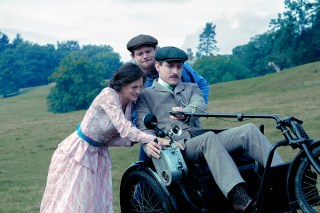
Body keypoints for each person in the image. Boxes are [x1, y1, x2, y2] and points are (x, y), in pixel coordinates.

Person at [135, 46, 284, 213]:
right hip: (177, 149)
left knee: (248, 130)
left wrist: (187, 111)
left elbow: (199, 105)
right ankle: (237, 195)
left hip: (202, 139)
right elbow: (143, 128)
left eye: (179, 66)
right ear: (158, 67)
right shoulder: (145, 95)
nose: (175, 71)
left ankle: (287, 181)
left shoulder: (191, 88)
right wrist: (150, 142)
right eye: (170, 66)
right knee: (209, 138)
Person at [40, 63, 169, 212]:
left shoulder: (130, 104)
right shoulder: (108, 95)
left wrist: (138, 140)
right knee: (74, 202)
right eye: (134, 87)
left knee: (95, 201)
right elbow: (125, 129)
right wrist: (150, 139)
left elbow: (111, 139)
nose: (138, 91)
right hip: (79, 152)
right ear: (122, 84)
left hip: (99, 153)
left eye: (141, 86)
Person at [127, 34, 210, 161]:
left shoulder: (176, 65)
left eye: (148, 51)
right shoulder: (135, 80)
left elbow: (202, 85)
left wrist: (191, 111)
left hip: (185, 127)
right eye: (140, 54)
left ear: (156, 50)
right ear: (133, 57)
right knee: (145, 163)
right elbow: (135, 113)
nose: (145, 56)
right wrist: (143, 135)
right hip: (156, 133)